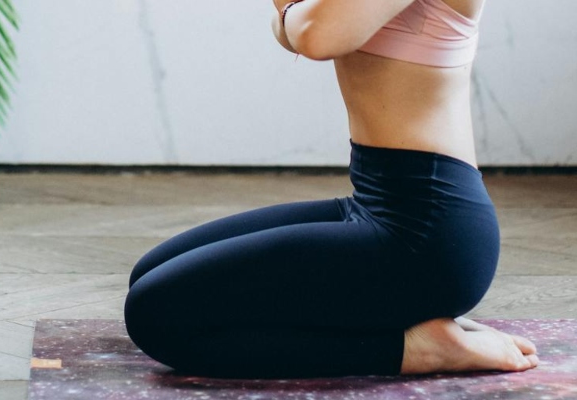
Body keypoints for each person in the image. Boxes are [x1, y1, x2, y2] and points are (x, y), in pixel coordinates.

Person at [123, 0, 539, 378]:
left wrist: (295, 16)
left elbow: (314, 36)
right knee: (148, 276)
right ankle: (399, 318)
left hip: (427, 234)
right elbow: (300, 27)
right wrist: (297, 18)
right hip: (375, 203)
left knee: (155, 315)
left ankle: (415, 349)